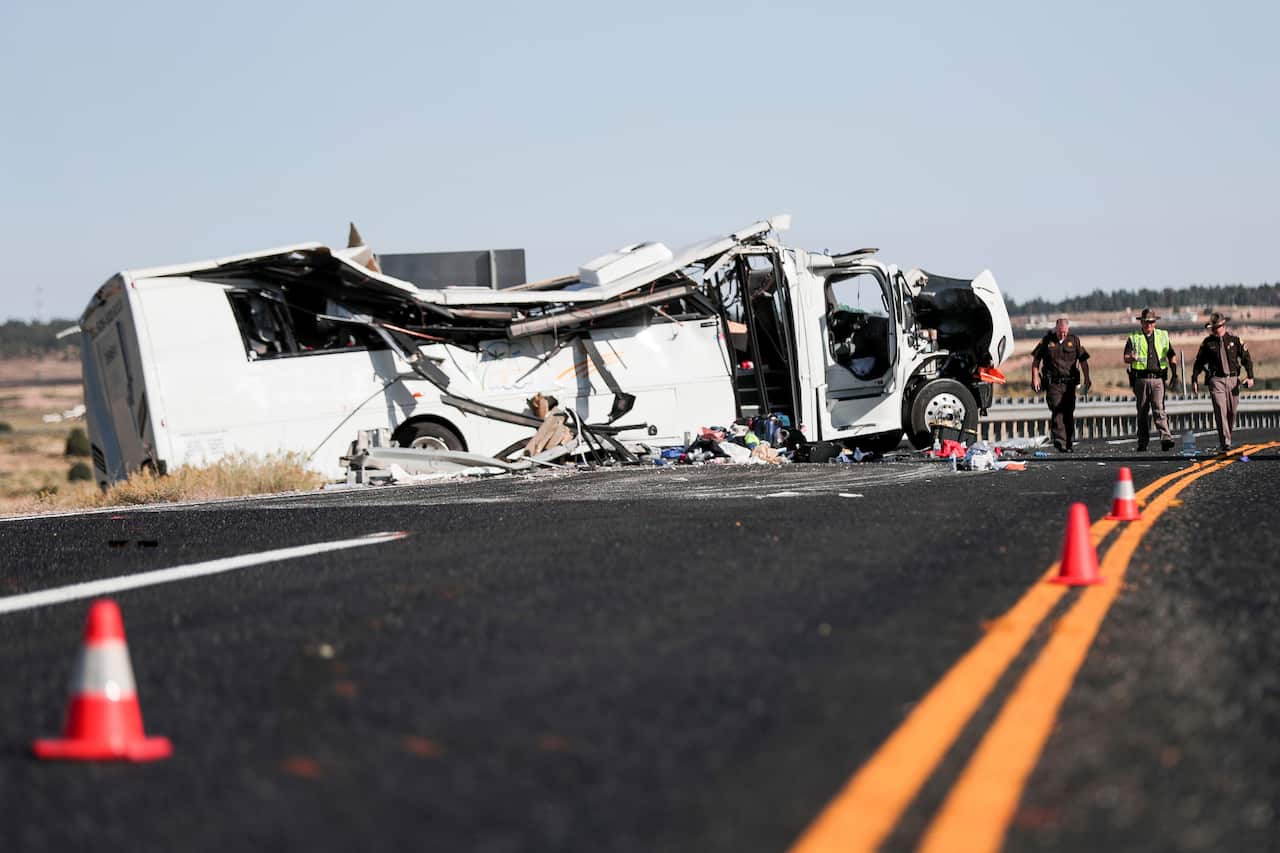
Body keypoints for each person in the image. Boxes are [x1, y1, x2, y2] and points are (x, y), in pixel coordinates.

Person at [1190, 312, 1255, 451]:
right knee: (1220, 410)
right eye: (1212, 328)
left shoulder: (1235, 340)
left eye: (1217, 327)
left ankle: (1227, 437)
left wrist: (1250, 376)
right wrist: (1194, 379)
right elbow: (1199, 362)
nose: (1214, 330)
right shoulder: (1207, 343)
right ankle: (1225, 442)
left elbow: (1246, 359)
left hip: (1233, 380)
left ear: (1223, 325)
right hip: (1216, 380)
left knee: (1231, 412)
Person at [1031, 317, 1091, 452]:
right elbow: (1036, 360)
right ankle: (1060, 441)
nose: (1062, 334)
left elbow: (1083, 361)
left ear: (1068, 330)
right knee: (1057, 411)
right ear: (1056, 328)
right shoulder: (1047, 341)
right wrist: (1035, 378)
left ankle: (1068, 442)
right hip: (1053, 384)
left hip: (1069, 384)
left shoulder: (1074, 341)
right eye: (1060, 332)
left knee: (1068, 412)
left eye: (1064, 332)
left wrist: (1087, 378)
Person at [1123, 308, 1178, 451]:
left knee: (1159, 409)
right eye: (1146, 322)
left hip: (1158, 379)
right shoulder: (1134, 337)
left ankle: (1166, 438)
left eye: (1151, 322)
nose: (1149, 325)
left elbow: (1172, 355)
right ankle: (1142, 441)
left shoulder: (1162, 336)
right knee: (1142, 411)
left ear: (1155, 323)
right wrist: (1131, 358)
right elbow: (1125, 357)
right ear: (1141, 322)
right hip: (1140, 379)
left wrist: (1175, 374)